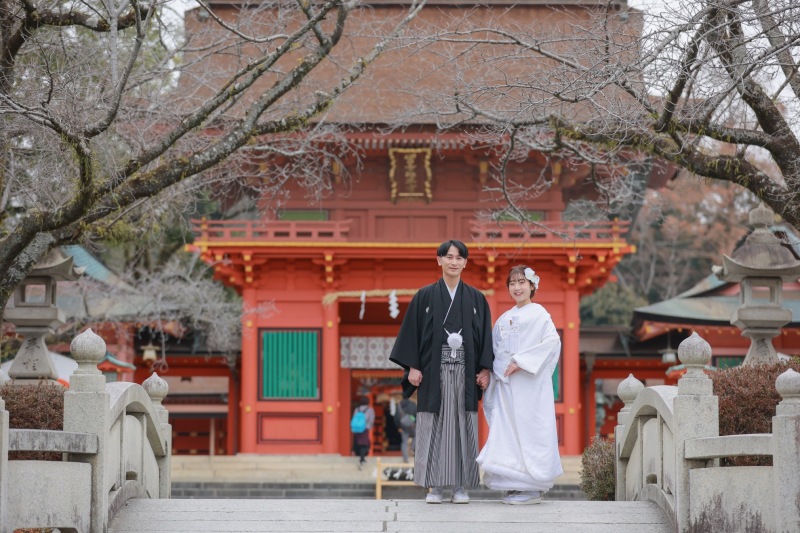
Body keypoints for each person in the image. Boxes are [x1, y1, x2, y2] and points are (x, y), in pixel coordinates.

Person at [389, 239, 494, 504]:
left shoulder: (476, 299)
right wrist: (413, 366)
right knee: (433, 426)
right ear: (439, 260)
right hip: (432, 373)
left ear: (465, 263)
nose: (453, 262)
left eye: (459, 258)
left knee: (463, 426)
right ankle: (434, 486)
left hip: (465, 373)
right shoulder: (424, 296)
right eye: (448, 257)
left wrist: (485, 369)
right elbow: (411, 333)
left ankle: (460, 487)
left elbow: (485, 337)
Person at [476, 265, 563, 505]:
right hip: (506, 385)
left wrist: (522, 362)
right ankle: (514, 483)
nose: (517, 287)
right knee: (508, 433)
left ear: (532, 286)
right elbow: (495, 350)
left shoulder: (540, 314)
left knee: (531, 430)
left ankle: (532, 487)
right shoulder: (504, 318)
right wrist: (488, 372)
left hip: (529, 386)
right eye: (512, 283)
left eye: (522, 282)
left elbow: (552, 343)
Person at [351, 396, 375, 469]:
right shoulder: (370, 409)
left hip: (356, 429)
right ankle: (362, 459)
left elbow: (354, 418)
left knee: (358, 443)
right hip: (365, 428)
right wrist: (370, 427)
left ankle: (359, 456)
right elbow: (371, 420)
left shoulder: (357, 409)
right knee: (365, 445)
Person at [394, 396, 417, 463]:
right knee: (417, 436)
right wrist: (415, 422)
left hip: (403, 426)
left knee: (404, 442)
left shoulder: (399, 405)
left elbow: (396, 417)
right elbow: (416, 415)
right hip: (412, 425)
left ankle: (405, 458)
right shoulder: (413, 404)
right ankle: (412, 447)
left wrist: (398, 427)